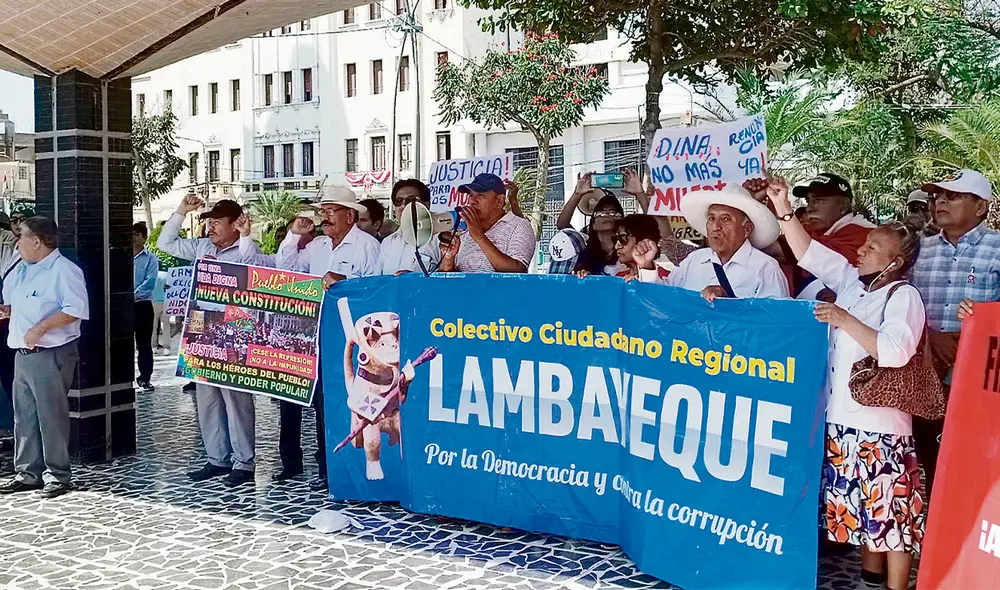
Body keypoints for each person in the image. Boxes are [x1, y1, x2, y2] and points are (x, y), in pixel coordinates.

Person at [767, 177, 924, 590]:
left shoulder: (903, 297)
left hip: (881, 428)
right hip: (843, 421)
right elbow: (806, 252)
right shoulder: (854, 283)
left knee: (891, 516)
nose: (861, 250)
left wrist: (845, 319)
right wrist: (783, 208)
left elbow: (893, 351)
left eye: (872, 248)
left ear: (895, 262)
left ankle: (895, 587)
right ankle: (870, 579)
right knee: (866, 515)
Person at [157, 196, 270, 487]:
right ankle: (216, 459)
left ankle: (244, 463)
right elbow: (165, 244)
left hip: (235, 334)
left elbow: (252, 266)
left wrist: (246, 237)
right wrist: (182, 210)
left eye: (218, 222)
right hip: (203, 334)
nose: (211, 227)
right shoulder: (202, 247)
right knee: (207, 399)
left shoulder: (247, 249)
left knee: (236, 401)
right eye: (209, 222)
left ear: (236, 224)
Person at [274, 186, 380, 490]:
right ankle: (291, 463)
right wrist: (295, 235)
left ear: (350, 215)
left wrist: (345, 282)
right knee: (292, 397)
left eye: (331, 211)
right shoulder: (318, 245)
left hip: (345, 336)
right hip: (307, 334)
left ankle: (327, 466)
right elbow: (286, 268)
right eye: (323, 211)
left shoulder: (366, 245)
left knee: (329, 401)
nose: (324, 217)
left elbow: (375, 288)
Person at [910, 169, 1000, 496]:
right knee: (932, 462)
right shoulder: (919, 249)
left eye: (953, 195)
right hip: (928, 377)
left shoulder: (997, 249)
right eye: (937, 196)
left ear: (981, 207)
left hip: (978, 382)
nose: (941, 202)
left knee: (976, 465)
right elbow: (901, 302)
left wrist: (979, 328)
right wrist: (930, 337)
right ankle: (937, 539)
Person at [0, 216, 89, 499]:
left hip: (50, 352)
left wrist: (40, 328)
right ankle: (27, 473)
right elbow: (24, 305)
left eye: (22, 236)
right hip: (22, 354)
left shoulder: (64, 270)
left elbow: (74, 309)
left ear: (37, 241)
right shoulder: (24, 269)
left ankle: (58, 475)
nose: (17, 242)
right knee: (24, 416)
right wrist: (8, 312)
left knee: (50, 416)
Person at [636, 186, 788, 300]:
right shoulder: (694, 260)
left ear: (747, 229)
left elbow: (775, 325)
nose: (716, 227)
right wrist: (646, 267)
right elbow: (663, 298)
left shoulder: (765, 269)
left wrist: (729, 302)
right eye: (711, 218)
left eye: (726, 219)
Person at [787, 173, 875, 299]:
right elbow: (771, 245)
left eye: (819, 200)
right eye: (808, 201)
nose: (809, 208)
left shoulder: (866, 235)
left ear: (843, 206)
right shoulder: (819, 230)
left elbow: (807, 255)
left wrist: (782, 210)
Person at [438, 173, 536, 273]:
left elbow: (517, 272)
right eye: (470, 195)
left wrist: (479, 236)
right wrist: (448, 259)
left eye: (480, 195)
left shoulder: (520, 226)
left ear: (500, 200)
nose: (472, 201)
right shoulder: (465, 231)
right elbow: (447, 279)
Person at [556, 173, 625, 275]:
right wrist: (577, 194)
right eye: (601, 212)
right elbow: (562, 225)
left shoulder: (630, 247)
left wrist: (640, 193)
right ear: (593, 224)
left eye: (613, 212)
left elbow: (655, 228)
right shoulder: (584, 245)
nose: (607, 215)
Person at [378, 179, 442, 275]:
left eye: (411, 200)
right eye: (398, 201)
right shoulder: (388, 242)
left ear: (426, 205)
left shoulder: (440, 239)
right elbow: (378, 280)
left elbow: (448, 280)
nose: (403, 206)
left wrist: (415, 280)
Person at [133, 223, 158, 393]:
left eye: (136, 234)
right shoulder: (120, 256)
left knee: (144, 344)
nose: (133, 237)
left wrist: (132, 295)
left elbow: (149, 282)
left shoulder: (151, 259)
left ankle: (145, 378)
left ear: (144, 237)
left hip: (141, 305)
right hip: (122, 307)